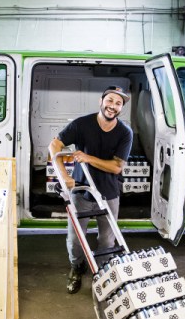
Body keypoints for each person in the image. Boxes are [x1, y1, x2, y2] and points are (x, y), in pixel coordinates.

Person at [48, 85, 133, 294]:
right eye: (110, 100)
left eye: (118, 103)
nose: (113, 106)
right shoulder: (81, 124)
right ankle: (77, 267)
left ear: (121, 108)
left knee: (107, 239)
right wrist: (65, 176)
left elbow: (116, 167)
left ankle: (103, 271)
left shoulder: (124, 132)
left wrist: (88, 158)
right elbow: (54, 146)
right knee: (76, 238)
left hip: (109, 193)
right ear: (101, 101)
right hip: (81, 191)